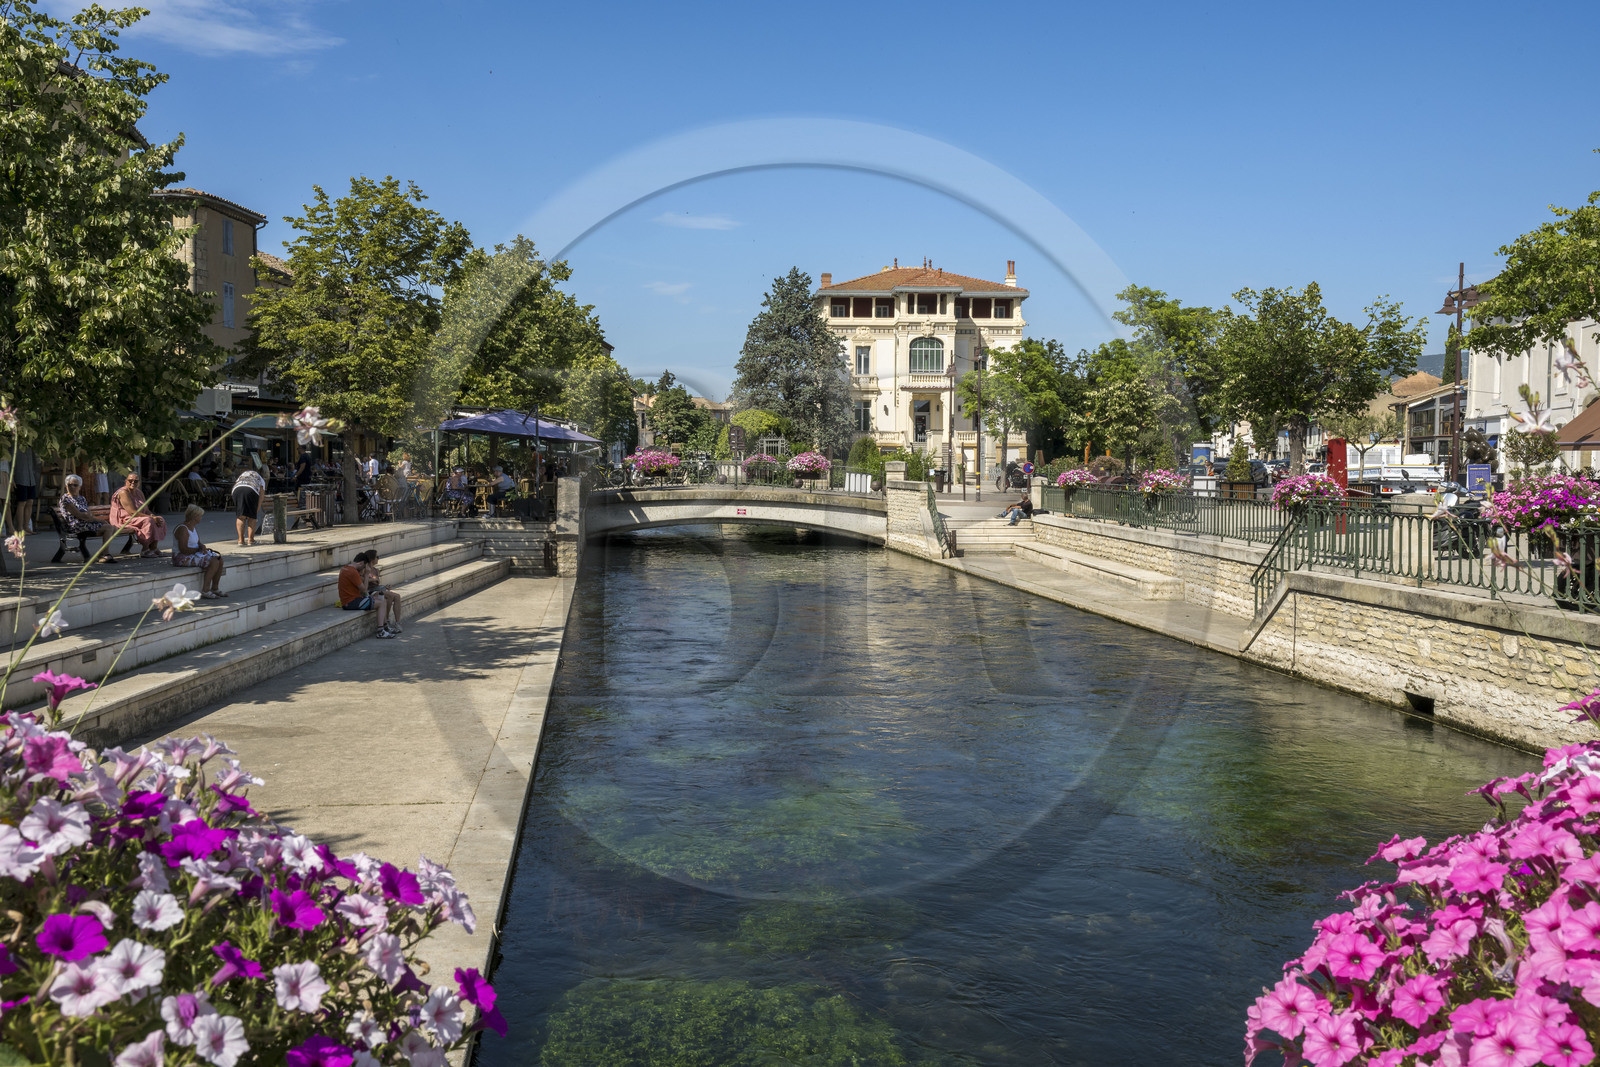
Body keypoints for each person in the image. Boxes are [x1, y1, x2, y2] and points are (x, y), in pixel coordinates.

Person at [339, 550, 402, 638]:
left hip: (350, 600)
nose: (364, 569)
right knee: (381, 602)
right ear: (361, 563)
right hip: (351, 602)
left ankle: (385, 627)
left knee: (381, 600)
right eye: (364, 566)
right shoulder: (353, 572)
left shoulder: (344, 568)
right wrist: (366, 575)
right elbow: (364, 590)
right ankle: (381, 631)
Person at [54, 475, 116, 563]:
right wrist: (92, 518)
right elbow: (79, 515)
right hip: (76, 525)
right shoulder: (66, 499)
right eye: (69, 485)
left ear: (80, 487)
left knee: (114, 528)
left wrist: (94, 518)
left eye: (75, 485)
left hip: (86, 523)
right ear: (66, 486)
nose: (72, 487)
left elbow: (88, 514)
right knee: (109, 528)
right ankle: (105, 553)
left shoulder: (81, 498)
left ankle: (101, 552)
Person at [171, 504, 226, 598]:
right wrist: (198, 550)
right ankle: (205, 590)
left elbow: (197, 542)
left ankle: (215, 588)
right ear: (195, 517)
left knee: (219, 559)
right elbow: (183, 549)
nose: (201, 518)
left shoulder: (193, 527)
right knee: (213, 562)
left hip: (192, 554)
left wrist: (202, 546)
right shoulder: (183, 529)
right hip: (181, 557)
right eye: (200, 516)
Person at [109, 471, 167, 557]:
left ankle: (154, 548)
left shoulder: (139, 492)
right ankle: (145, 549)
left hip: (137, 517)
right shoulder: (123, 492)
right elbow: (132, 512)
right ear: (126, 481)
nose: (133, 482)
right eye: (130, 480)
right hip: (124, 519)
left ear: (139, 482)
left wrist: (154, 516)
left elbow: (146, 510)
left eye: (136, 481)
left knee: (159, 519)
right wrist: (150, 517)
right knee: (148, 520)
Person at [231, 467, 266, 546]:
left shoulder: (242, 475)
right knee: (252, 517)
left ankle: (240, 540)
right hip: (251, 490)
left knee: (241, 516)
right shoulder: (260, 478)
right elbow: (261, 496)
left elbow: (236, 485)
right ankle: (251, 540)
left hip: (236, 490)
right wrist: (257, 509)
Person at [11, 448, 39, 533]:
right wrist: (11, 478)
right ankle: (20, 528)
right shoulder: (14, 446)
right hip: (20, 478)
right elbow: (10, 462)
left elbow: (35, 462)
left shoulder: (30, 448)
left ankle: (26, 526)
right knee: (22, 502)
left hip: (31, 478)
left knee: (30, 501)